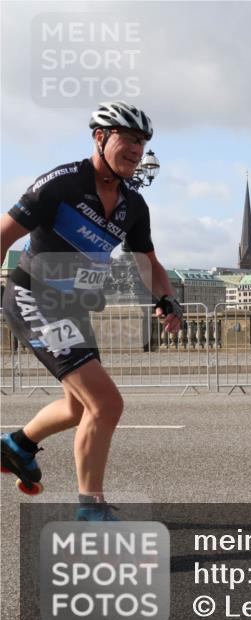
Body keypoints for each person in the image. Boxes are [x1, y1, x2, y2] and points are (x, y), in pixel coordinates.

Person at [0, 101, 182, 520]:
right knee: (107, 404)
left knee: (80, 407)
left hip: (72, 307)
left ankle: (18, 447)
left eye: (143, 142)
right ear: (100, 137)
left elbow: (148, 262)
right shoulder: (60, 185)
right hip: (34, 299)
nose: (137, 150)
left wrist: (166, 299)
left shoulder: (133, 205)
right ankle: (90, 511)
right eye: (129, 139)